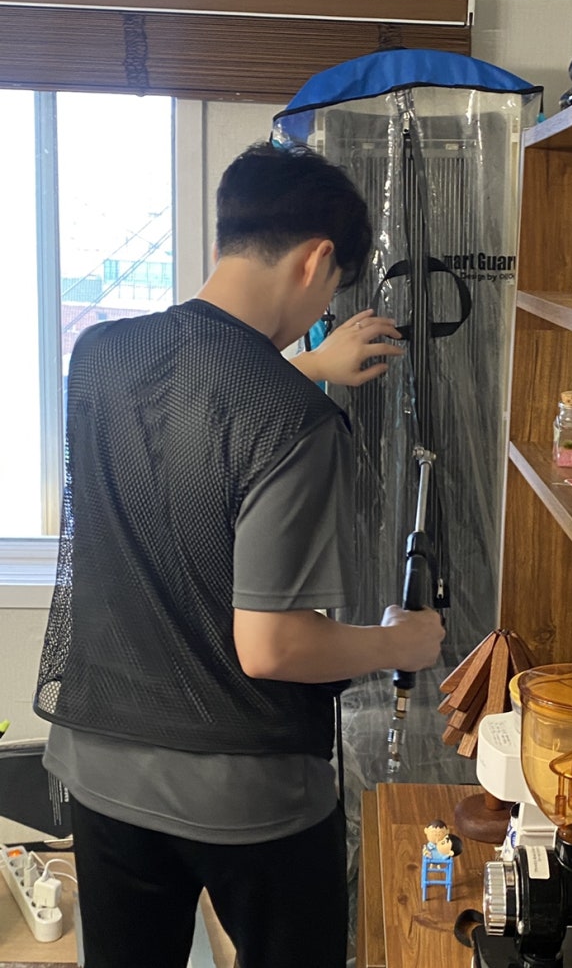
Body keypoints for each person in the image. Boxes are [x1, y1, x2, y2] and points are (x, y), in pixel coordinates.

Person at [34, 140, 445, 968]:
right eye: (331, 289)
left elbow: (194, 406)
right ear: (316, 260)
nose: (323, 306)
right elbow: (272, 646)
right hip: (248, 793)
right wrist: (399, 642)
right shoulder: (295, 422)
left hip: (102, 764)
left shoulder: (99, 357)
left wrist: (306, 366)